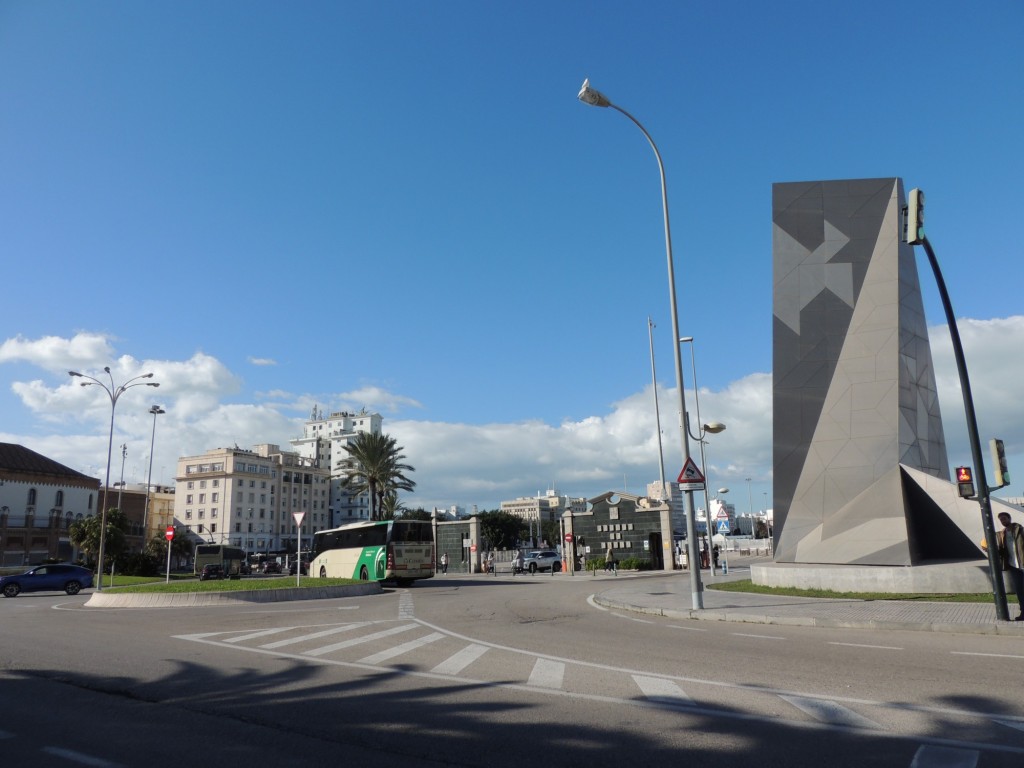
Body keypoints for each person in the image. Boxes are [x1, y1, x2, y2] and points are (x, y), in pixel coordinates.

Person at [996, 512, 1024, 621]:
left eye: (1004, 518)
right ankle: (1023, 612)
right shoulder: (1002, 534)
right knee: (1020, 591)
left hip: (1022, 563)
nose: (1003, 521)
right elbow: (1001, 550)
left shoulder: (1020, 530)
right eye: (1001, 520)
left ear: (1009, 518)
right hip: (1013, 566)